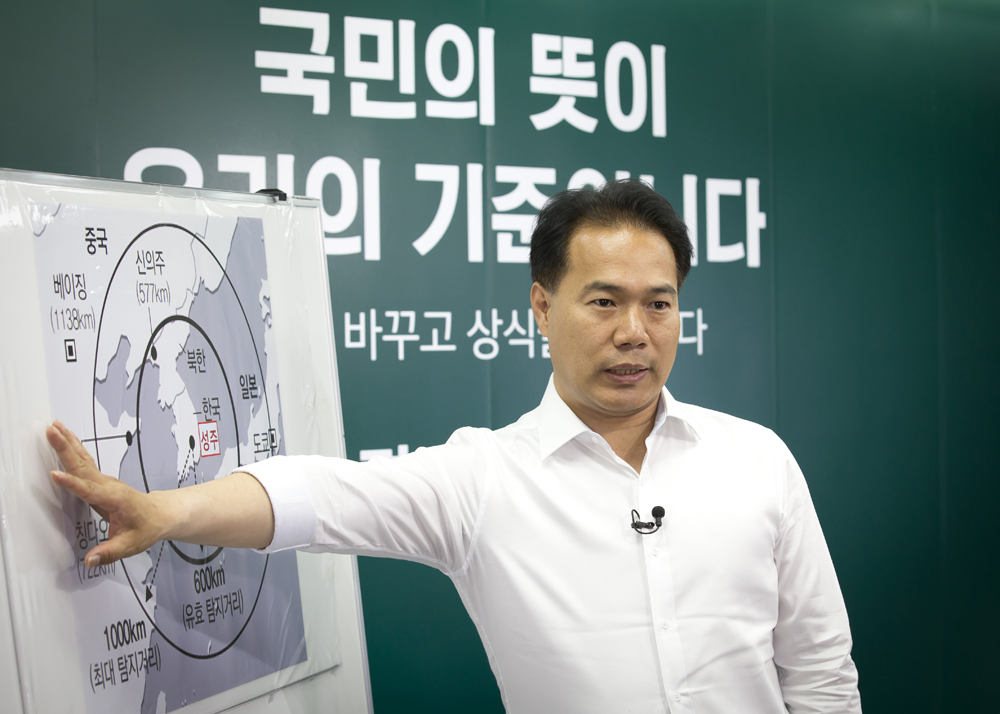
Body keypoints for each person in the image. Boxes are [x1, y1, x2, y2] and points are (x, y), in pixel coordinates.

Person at [47, 179, 861, 713]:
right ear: (541, 308)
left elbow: (821, 672)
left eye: (659, 303)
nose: (634, 332)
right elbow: (317, 496)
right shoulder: (484, 480)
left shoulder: (757, 461)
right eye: (603, 301)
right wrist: (165, 511)